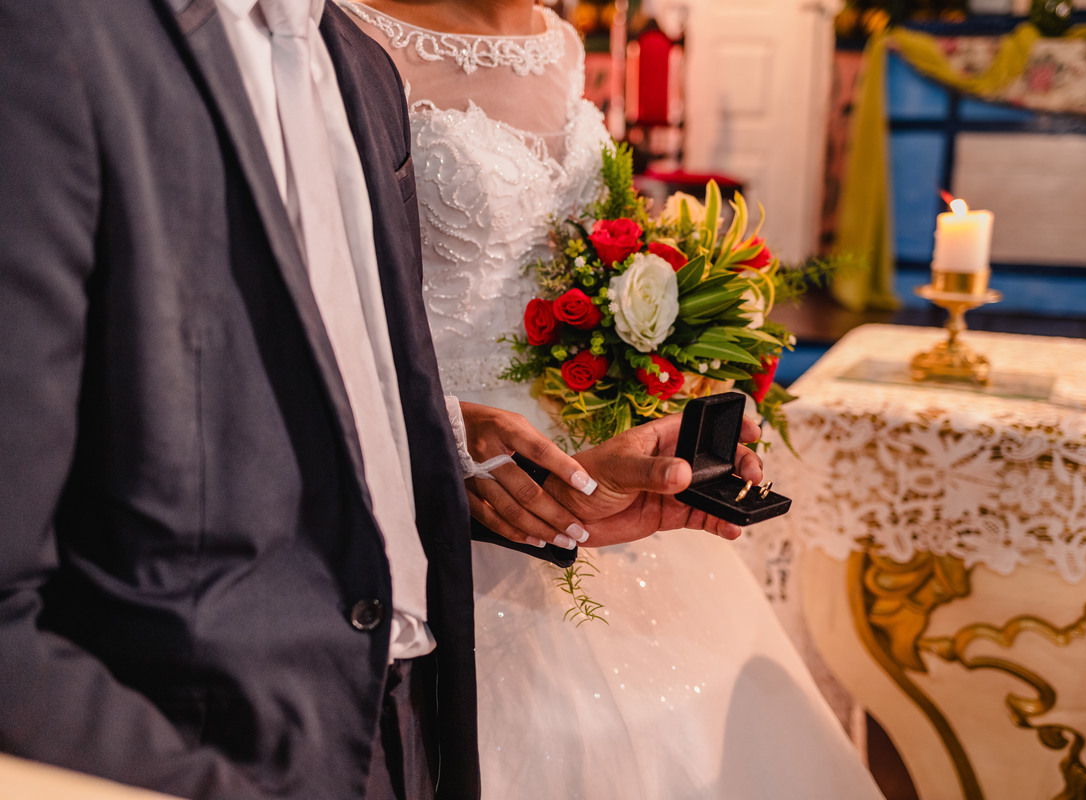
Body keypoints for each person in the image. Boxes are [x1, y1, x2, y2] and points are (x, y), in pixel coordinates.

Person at [0, 1, 760, 798]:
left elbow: (345, 388)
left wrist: (549, 484)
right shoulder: (54, 36)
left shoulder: (356, 65)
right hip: (204, 741)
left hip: (415, 706)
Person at [342, 2, 887, 797]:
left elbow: (578, 246)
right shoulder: (348, 33)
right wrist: (446, 430)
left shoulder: (558, 42)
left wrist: (662, 361)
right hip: (461, 460)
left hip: (595, 453)